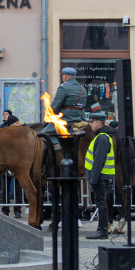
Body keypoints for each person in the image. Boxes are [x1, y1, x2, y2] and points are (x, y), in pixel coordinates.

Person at [84, 111, 116, 239]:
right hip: (102, 176)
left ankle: (102, 230)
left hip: (100, 176)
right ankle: (102, 229)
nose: (90, 125)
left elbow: (99, 159)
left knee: (100, 202)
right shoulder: (102, 136)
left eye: (92, 122)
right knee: (101, 202)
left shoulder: (102, 137)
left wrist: (93, 178)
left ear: (99, 123)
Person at [50, 67, 87, 133]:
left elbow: (56, 106)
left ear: (64, 76)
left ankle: (56, 143)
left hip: (67, 119)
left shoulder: (63, 87)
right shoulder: (82, 87)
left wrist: (50, 116)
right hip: (81, 118)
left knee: (45, 133)